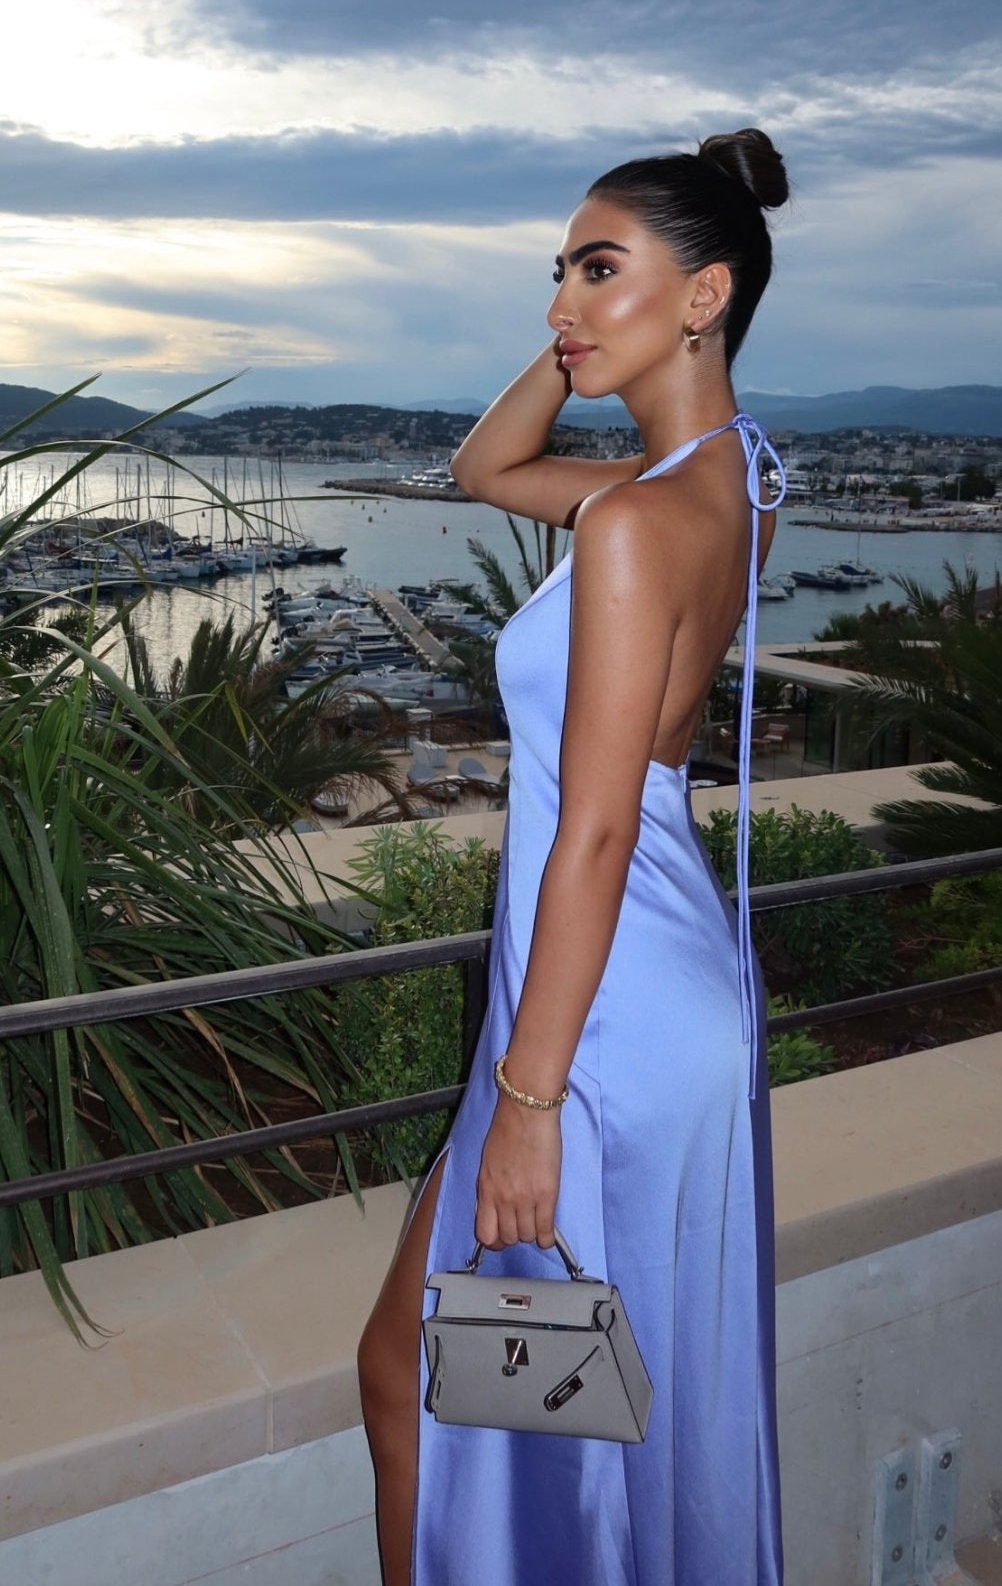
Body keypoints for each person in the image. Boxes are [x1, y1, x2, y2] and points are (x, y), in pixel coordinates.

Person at [358, 128, 789, 1585]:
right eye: (555, 273)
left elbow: (592, 826)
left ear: (704, 291)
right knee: (549, 1391)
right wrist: (576, 337)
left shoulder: (630, 524)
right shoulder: (727, 488)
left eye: (600, 269)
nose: (562, 299)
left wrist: (529, 1100)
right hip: (643, 985)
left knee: (486, 1391)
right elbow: (486, 466)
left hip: (588, 1013)